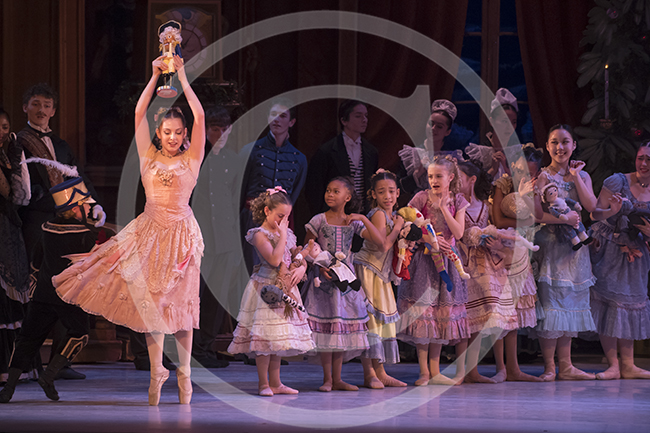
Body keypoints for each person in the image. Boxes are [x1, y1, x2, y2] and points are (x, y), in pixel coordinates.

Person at [53, 53, 205, 405]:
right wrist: (153, 76)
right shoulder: (149, 158)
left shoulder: (191, 159)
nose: (172, 137)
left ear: (184, 134)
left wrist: (182, 77)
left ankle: (184, 372)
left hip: (182, 234)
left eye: (178, 132)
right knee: (152, 306)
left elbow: (199, 116)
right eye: (166, 131)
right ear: (158, 133)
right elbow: (138, 114)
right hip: (150, 232)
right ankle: (156, 371)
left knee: (181, 308)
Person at [17, 83, 107, 381]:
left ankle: (61, 361)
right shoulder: (18, 143)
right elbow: (22, 187)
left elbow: (79, 179)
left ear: (53, 111)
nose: (41, 110)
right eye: (36, 104)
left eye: (46, 105)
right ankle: (27, 363)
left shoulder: (63, 145)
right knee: (36, 291)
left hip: (68, 227)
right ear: (25, 107)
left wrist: (94, 205)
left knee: (67, 289)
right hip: (36, 224)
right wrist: (54, 201)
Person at [0, 173, 114, 403]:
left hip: (43, 293)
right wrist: (100, 224)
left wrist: (36, 286)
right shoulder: (85, 233)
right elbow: (108, 242)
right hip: (67, 296)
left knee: (28, 339)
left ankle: (8, 389)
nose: (89, 208)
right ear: (74, 209)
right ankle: (49, 375)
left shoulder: (46, 227)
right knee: (80, 334)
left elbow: (36, 261)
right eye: (85, 205)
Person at [228, 188, 314, 396]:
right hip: (266, 289)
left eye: (287, 217)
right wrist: (283, 234)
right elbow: (275, 260)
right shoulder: (259, 234)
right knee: (265, 336)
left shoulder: (287, 234)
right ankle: (263, 384)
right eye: (280, 216)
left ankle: (276, 383)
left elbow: (297, 255)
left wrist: (302, 268)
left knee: (278, 337)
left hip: (286, 288)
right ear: (267, 211)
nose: (284, 221)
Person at [302, 176, 384, 392]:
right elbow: (306, 248)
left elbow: (379, 241)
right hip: (323, 282)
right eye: (328, 190)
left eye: (335, 191)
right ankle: (327, 379)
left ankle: (337, 379)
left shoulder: (352, 222)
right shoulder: (319, 220)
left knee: (339, 329)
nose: (330, 194)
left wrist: (363, 218)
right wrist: (319, 266)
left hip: (345, 283)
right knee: (327, 330)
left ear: (347, 197)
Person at [532, 124, 597, 381]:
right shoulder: (543, 177)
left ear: (573, 145)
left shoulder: (582, 175)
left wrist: (576, 176)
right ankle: (550, 366)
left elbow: (591, 206)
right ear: (548, 146)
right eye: (554, 142)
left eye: (565, 141)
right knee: (552, 304)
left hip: (575, 249)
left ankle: (567, 366)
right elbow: (537, 215)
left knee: (570, 304)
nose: (560, 147)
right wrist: (564, 220)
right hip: (552, 246)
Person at [396, 156, 470, 386]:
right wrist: (428, 238)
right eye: (430, 176)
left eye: (439, 176)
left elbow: (458, 233)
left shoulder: (458, 200)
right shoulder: (421, 197)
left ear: (450, 177)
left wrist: (444, 208)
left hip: (447, 261)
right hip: (424, 262)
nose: (434, 180)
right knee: (424, 313)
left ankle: (436, 370)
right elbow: (408, 226)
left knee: (440, 315)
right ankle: (424, 372)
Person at [588, 142, 650, 380]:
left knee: (630, 305)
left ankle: (629, 365)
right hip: (611, 248)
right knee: (610, 303)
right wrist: (613, 211)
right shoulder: (617, 182)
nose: (643, 163)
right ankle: (613, 365)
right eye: (640, 158)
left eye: (649, 160)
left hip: (638, 254)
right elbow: (595, 213)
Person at [456, 159, 518, 383]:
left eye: (459, 178)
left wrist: (496, 243)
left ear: (472, 180)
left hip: (486, 264)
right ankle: (462, 370)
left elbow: (496, 228)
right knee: (466, 319)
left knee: (482, 319)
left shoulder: (485, 205)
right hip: (464, 263)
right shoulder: (455, 204)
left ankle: (474, 370)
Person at [191, 105, 239, 369]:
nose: (220, 134)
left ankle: (205, 347)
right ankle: (192, 348)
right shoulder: (195, 156)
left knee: (216, 296)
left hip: (225, 237)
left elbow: (235, 199)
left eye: (224, 129)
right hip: (199, 236)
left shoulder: (233, 159)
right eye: (214, 129)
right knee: (195, 294)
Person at [491, 144, 544, 382]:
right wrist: (524, 220)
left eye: (530, 174)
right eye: (521, 172)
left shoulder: (534, 188)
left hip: (522, 251)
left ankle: (514, 368)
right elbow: (498, 219)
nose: (524, 177)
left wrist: (527, 198)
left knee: (513, 313)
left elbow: (538, 216)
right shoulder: (502, 184)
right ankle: (501, 367)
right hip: (501, 250)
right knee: (501, 311)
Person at [353, 170, 406, 388]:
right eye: (382, 192)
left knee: (379, 322)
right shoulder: (378, 214)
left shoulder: (393, 215)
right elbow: (383, 244)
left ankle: (380, 371)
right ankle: (370, 374)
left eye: (391, 191)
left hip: (380, 274)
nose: (387, 196)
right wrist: (399, 227)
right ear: (373, 194)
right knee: (370, 321)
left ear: (398, 193)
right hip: (369, 270)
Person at [240, 99, 307, 274]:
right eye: (273, 115)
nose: (276, 119)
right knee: (251, 269)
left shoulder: (298, 158)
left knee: (278, 269)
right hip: (252, 219)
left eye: (282, 116)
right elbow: (239, 190)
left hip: (280, 222)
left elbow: (294, 195)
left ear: (291, 122)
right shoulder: (252, 150)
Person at [0, 108, 35, 383]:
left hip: (6, 226)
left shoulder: (10, 153)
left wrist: (14, 159)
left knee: (7, 294)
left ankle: (9, 368)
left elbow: (21, 196)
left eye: (4, 126)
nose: (1, 132)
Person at [306, 100, 379, 215]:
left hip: (363, 214)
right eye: (358, 116)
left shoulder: (371, 151)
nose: (364, 120)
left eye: (366, 115)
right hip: (336, 214)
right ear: (344, 120)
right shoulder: (327, 151)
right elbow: (314, 188)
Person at [397, 99, 464, 199]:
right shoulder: (412, 154)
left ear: (447, 132)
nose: (433, 128)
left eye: (439, 127)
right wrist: (417, 174)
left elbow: (462, 188)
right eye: (431, 124)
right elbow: (397, 189)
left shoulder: (453, 156)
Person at [465, 88, 520, 181]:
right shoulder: (480, 153)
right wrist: (493, 169)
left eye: (513, 122)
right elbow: (473, 186)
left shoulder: (518, 151)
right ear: (492, 121)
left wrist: (505, 168)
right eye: (505, 121)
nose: (510, 127)